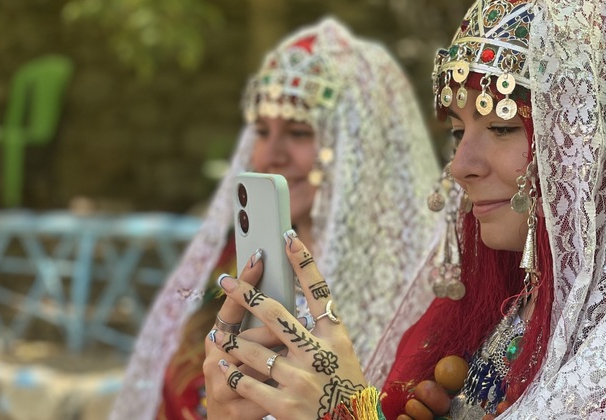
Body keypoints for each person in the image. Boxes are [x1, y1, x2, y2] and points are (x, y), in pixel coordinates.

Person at [202, 0, 606, 418]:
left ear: (600, 151)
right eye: (456, 130)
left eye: (501, 126)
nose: (462, 164)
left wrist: (347, 410)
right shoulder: (507, 310)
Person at [110, 17, 441, 420]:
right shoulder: (236, 268)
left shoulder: (425, 292)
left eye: (300, 132)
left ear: (363, 148)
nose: (270, 156)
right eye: (262, 132)